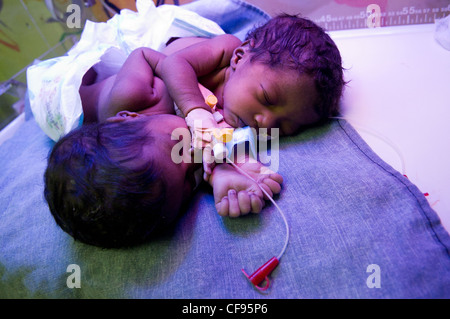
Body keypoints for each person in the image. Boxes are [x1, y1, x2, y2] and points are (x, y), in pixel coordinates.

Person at [44, 41, 283, 248]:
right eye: (191, 180)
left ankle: (79, 62)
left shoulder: (132, 95)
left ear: (130, 117)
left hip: (63, 91)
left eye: (176, 146)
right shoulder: (162, 173)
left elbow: (144, 54)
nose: (194, 157)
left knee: (83, 64)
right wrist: (221, 174)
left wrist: (194, 107)